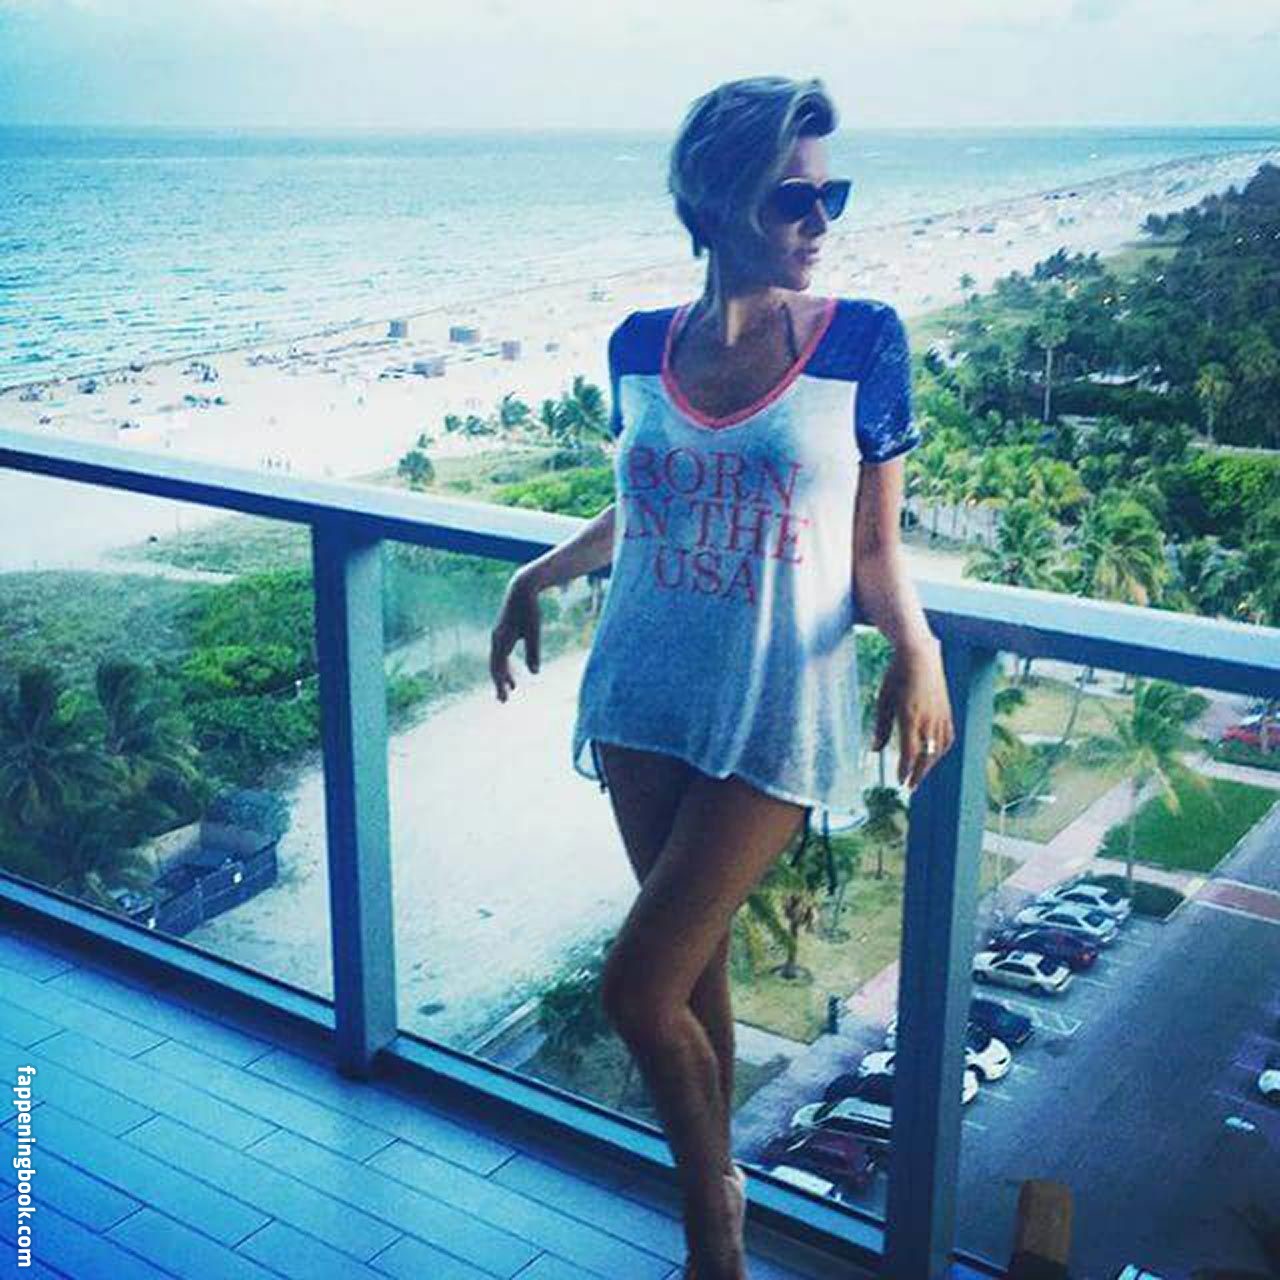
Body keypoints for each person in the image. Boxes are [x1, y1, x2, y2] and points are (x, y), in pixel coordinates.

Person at [489, 75, 955, 1280]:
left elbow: (872, 548)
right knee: (686, 978)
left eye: (830, 195)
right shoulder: (637, 344)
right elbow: (652, 500)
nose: (819, 220)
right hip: (641, 691)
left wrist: (916, 646)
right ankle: (717, 1230)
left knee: (634, 990)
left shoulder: (861, 339)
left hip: (770, 706)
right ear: (713, 202)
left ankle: (713, 1216)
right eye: (792, 198)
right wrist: (538, 570)